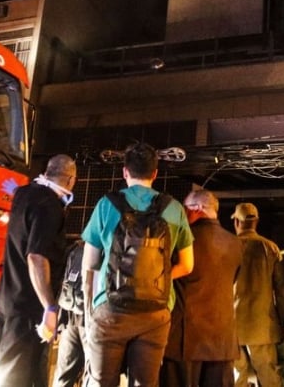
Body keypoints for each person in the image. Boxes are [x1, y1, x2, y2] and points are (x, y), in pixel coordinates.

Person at [81, 141, 195, 387]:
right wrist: (153, 279)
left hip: (110, 310)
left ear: (125, 172)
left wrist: (90, 312)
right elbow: (187, 265)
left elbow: (89, 264)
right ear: (155, 174)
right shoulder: (174, 209)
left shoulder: (106, 205)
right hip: (156, 312)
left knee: (101, 381)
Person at [0, 153, 78, 387]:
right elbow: (36, 257)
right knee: (19, 377)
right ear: (70, 180)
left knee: (5, 370)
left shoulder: (23, 194)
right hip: (29, 309)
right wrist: (49, 306)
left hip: (6, 299)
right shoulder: (50, 206)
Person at [163, 189, 243, 387]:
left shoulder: (182, 241)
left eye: (186, 209)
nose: (183, 213)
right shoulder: (236, 243)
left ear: (197, 209)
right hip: (222, 342)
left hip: (184, 341)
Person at [231, 202, 284, 387]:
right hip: (263, 324)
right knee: (269, 374)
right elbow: (281, 290)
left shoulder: (228, 246)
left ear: (237, 223)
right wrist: (280, 322)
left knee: (236, 376)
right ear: (256, 222)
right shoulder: (270, 248)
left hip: (232, 325)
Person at [53, 239, 87, 387]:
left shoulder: (76, 248)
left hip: (70, 316)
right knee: (95, 376)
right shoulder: (109, 243)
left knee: (64, 375)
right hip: (91, 320)